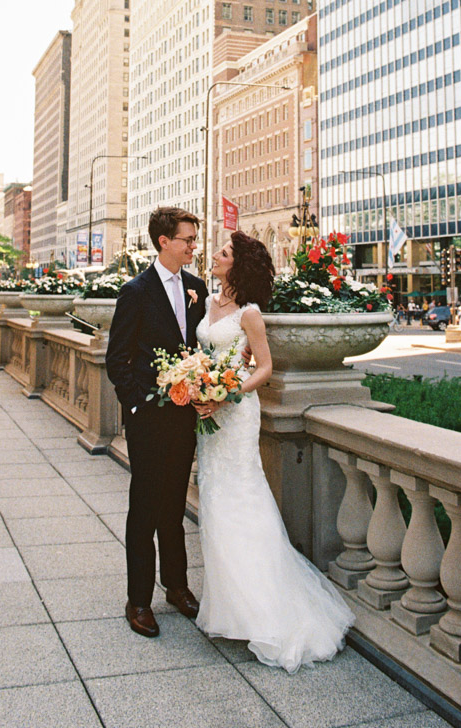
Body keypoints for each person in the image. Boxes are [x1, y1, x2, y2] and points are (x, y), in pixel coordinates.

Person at [194, 231, 355, 672]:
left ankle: (267, 613)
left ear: (237, 266)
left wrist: (227, 393)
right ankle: (230, 608)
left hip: (236, 413)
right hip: (208, 415)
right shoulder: (207, 302)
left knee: (241, 501)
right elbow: (201, 351)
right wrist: (194, 384)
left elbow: (262, 368)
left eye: (223, 253)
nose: (215, 255)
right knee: (214, 502)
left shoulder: (250, 314)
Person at [106, 207, 208, 638]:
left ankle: (178, 587)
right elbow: (118, 359)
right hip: (149, 419)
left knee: (174, 506)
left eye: (194, 239)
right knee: (144, 509)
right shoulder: (136, 291)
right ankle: (139, 600)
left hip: (187, 418)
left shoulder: (197, 288)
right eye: (187, 239)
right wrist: (137, 406)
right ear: (164, 241)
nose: (193, 246)